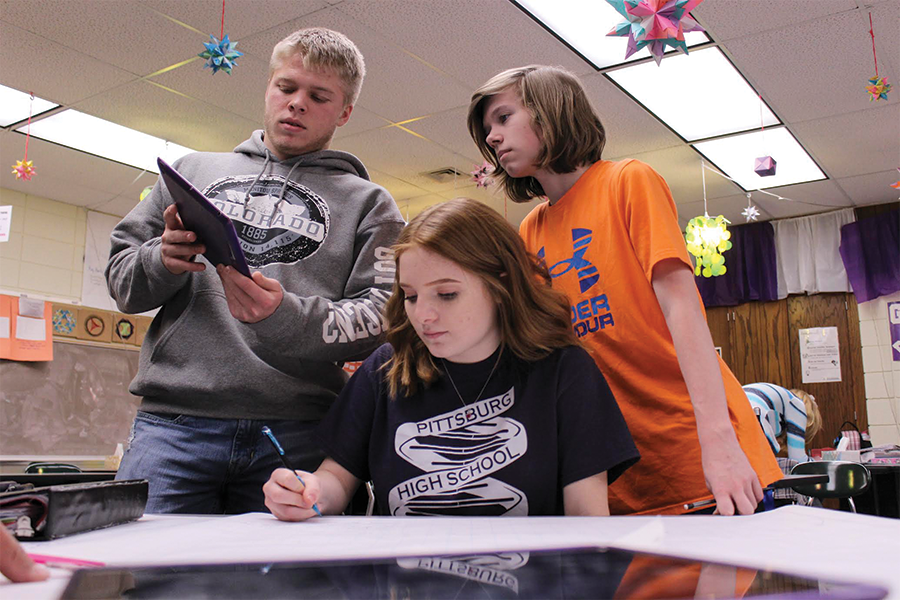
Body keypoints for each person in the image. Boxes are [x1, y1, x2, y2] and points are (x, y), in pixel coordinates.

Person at [106, 28, 405, 514]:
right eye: (286, 88)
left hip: (299, 434)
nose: (297, 104)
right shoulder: (191, 173)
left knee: (290, 587)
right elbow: (122, 281)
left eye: (318, 96)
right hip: (174, 426)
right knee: (144, 582)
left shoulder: (372, 205)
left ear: (345, 112)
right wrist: (162, 260)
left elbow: (383, 318)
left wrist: (282, 315)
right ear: (268, 88)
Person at [467, 65, 782, 516]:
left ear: (550, 109)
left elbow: (683, 309)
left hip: (700, 459)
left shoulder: (628, 181)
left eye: (502, 117)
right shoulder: (532, 229)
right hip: (619, 472)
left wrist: (720, 444)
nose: (493, 138)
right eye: (487, 130)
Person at [263, 198, 640, 519]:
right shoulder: (385, 368)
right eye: (410, 296)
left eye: (446, 295)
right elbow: (337, 478)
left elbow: (587, 518)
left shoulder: (565, 371)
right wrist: (307, 492)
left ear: (501, 285)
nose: (423, 315)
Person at [743, 383, 823, 505]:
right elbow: (799, 463)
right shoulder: (797, 405)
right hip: (752, 418)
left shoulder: (775, 408)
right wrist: (814, 465)